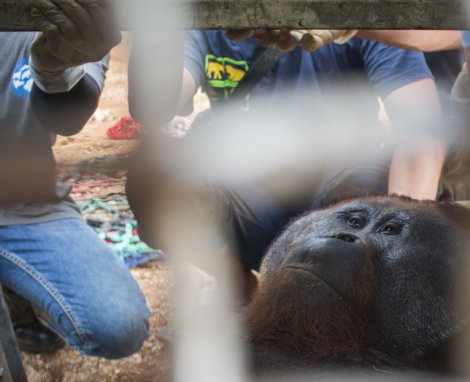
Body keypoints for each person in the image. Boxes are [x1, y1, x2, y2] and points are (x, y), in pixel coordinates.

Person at [126, 30, 446, 294]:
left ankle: (348, 298)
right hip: (249, 206)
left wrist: (398, 260)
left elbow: (423, 128)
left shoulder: (354, 15)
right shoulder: (210, 16)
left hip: (343, 210)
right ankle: (238, 288)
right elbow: (153, 105)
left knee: (380, 190)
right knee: (154, 174)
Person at [0, 0, 149, 357]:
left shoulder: (74, 14)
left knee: (120, 324)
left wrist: (53, 71)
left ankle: (19, 299)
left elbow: (65, 117)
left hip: (25, 205)